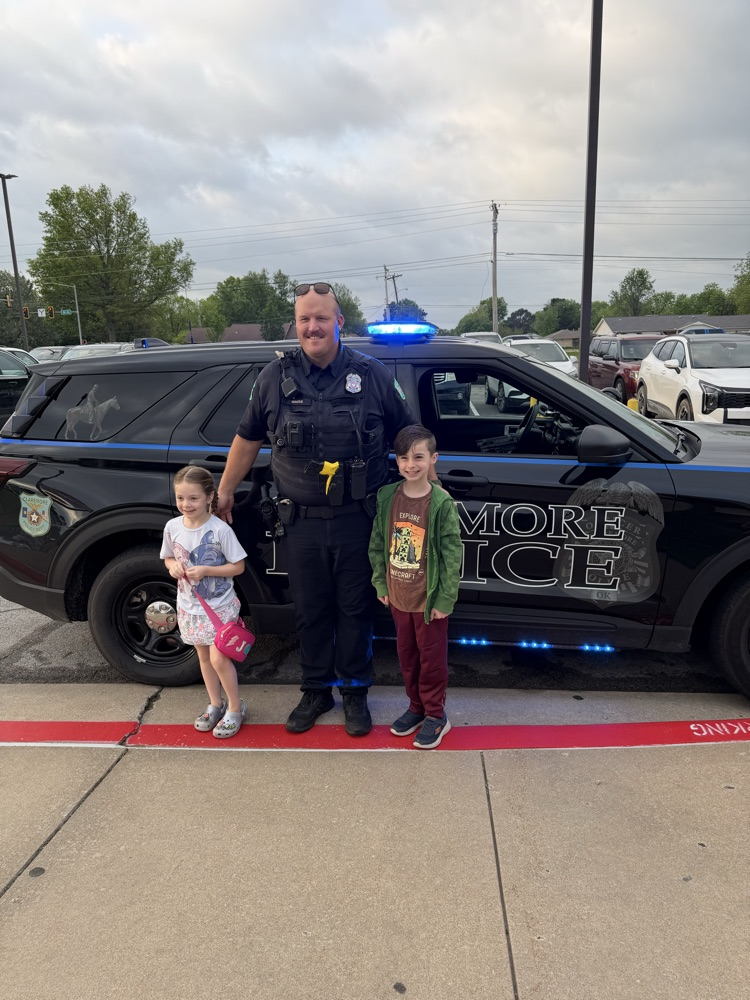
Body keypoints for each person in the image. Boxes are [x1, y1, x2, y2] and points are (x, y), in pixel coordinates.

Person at [217, 281, 414, 737]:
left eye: (321, 318)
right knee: (310, 611)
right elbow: (247, 440)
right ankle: (315, 690)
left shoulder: (373, 375)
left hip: (358, 520)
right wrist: (226, 490)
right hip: (299, 523)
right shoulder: (272, 379)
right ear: (296, 324)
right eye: (304, 319)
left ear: (339, 322)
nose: (312, 327)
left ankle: (356, 692)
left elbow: (408, 435)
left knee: (355, 609)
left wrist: (429, 489)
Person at [368, 424, 462, 749]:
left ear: (433, 459)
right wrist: (380, 582)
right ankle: (416, 707)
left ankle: (436, 715)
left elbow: (452, 554)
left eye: (419, 457)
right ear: (396, 460)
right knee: (406, 656)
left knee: (431, 659)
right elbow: (378, 543)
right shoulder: (387, 496)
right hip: (398, 597)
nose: (411, 464)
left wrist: (445, 598)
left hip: (428, 601)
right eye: (404, 457)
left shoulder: (441, 503)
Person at [161, 465, 249, 739]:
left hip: (220, 607)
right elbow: (167, 556)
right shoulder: (172, 527)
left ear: (209, 497)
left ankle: (235, 708)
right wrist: (172, 566)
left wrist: (207, 570)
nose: (186, 504)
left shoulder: (220, 530)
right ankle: (215, 704)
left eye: (193, 498)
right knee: (203, 658)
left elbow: (238, 566)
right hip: (190, 607)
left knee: (219, 659)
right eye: (180, 498)